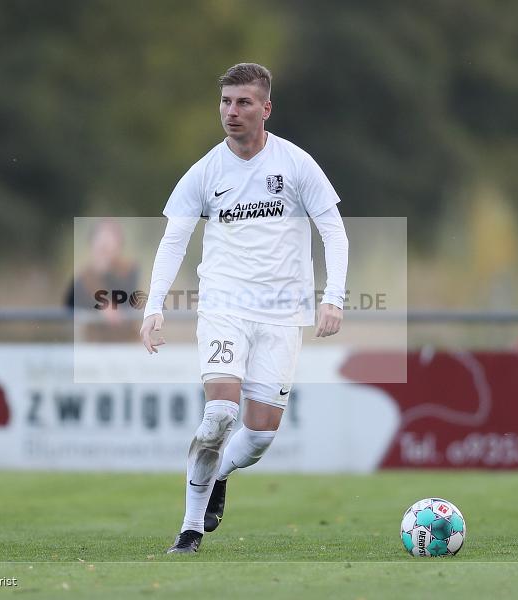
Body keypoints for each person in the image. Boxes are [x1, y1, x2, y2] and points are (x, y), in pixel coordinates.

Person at [139, 63, 349, 554]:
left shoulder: (296, 165)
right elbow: (173, 241)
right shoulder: (206, 170)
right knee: (218, 415)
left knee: (257, 437)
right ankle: (189, 530)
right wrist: (153, 307)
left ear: (265, 108)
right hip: (223, 305)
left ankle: (218, 476)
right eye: (226, 102)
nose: (232, 112)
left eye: (243, 103)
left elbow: (333, 232)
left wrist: (333, 296)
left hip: (281, 315)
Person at [65, 218, 139, 341]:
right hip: (94, 343)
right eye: (100, 238)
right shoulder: (84, 275)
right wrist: (101, 307)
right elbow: (69, 305)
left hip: (124, 342)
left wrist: (104, 272)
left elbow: (126, 300)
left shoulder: (130, 270)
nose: (105, 244)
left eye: (110, 238)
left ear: (119, 245)